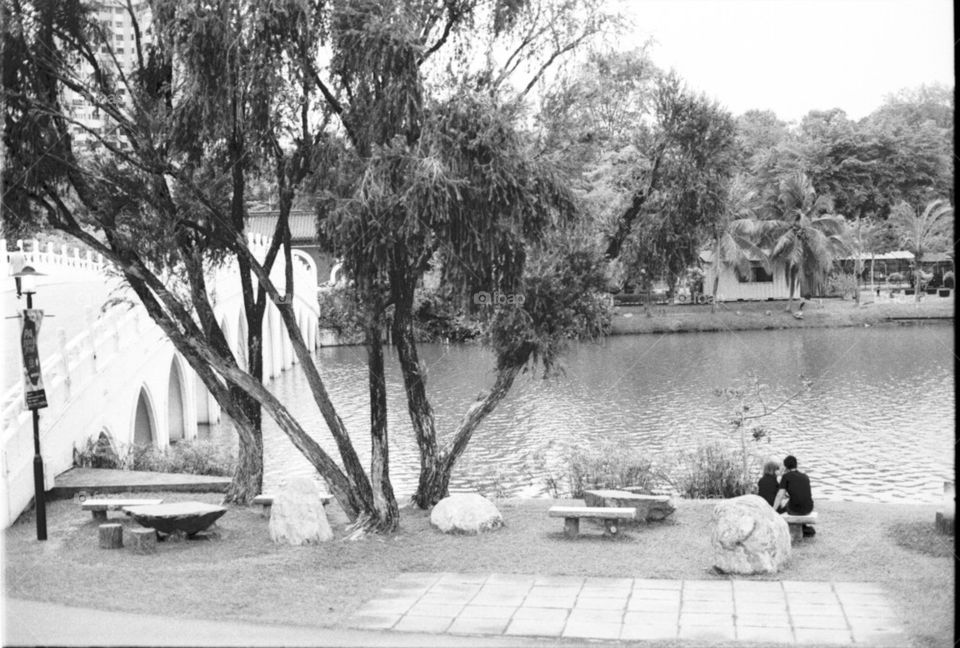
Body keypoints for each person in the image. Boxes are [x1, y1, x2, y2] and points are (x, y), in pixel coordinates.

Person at [773, 455, 816, 536]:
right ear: (796, 465)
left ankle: (782, 526)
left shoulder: (786, 477)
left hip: (795, 510)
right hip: (809, 508)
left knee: (784, 506)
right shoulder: (805, 476)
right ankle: (804, 528)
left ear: (786, 467)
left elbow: (780, 495)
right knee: (793, 500)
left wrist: (773, 510)